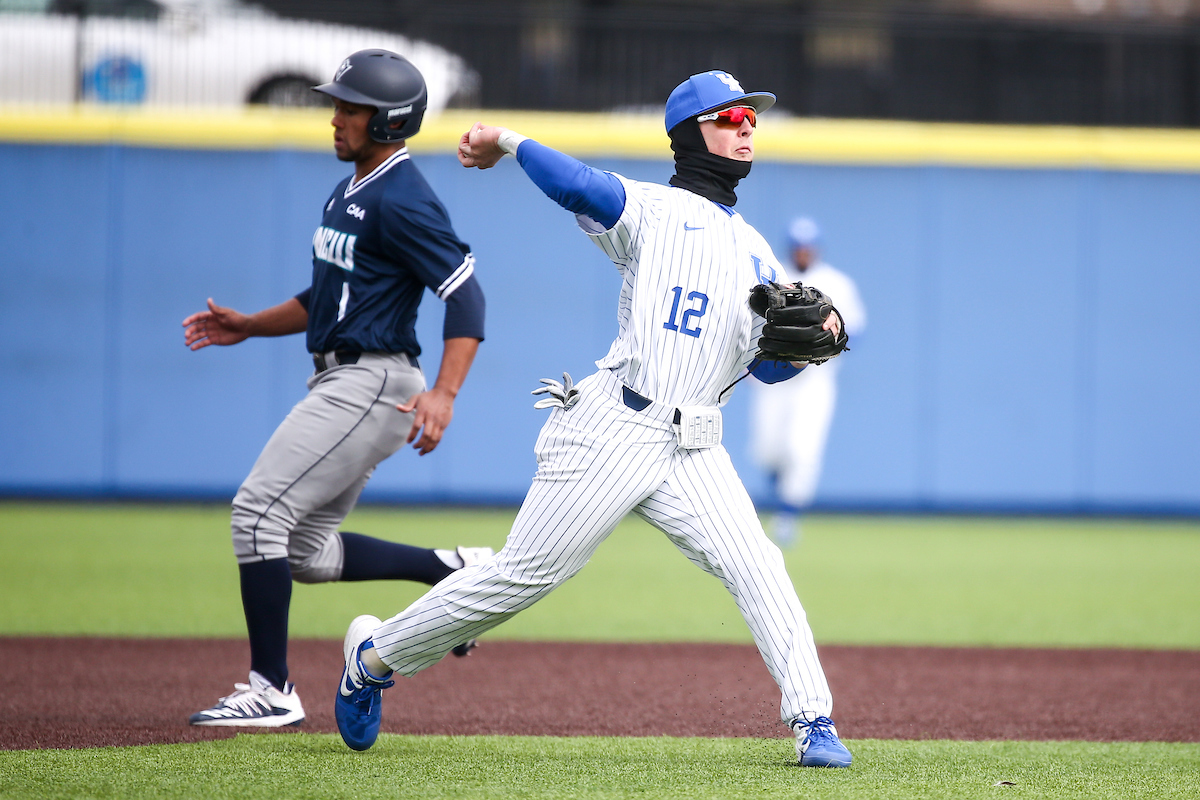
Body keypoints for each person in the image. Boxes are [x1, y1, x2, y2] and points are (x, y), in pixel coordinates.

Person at [333, 70, 854, 768]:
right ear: (693, 131)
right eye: (732, 116)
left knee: (758, 565)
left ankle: (814, 721)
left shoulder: (758, 252)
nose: (747, 125)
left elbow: (762, 364)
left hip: (696, 445)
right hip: (615, 426)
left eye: (751, 117)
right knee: (522, 577)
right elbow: (577, 185)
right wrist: (510, 142)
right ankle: (372, 657)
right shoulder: (648, 210)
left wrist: (810, 346)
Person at [183, 49, 490, 728]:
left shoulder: (403, 197)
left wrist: (444, 395)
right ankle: (452, 571)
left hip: (372, 380)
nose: (335, 118)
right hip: (347, 374)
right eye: (338, 105)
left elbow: (466, 297)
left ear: (388, 121)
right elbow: (328, 295)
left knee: (255, 514)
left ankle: (272, 688)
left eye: (350, 108)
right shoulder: (354, 185)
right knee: (301, 553)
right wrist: (250, 325)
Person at [751, 217, 867, 546]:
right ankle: (779, 502)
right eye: (798, 247)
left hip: (815, 380)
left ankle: (787, 516)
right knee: (768, 450)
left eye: (808, 246)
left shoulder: (837, 283)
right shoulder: (773, 277)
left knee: (802, 450)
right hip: (775, 372)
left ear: (816, 248)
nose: (803, 252)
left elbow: (856, 330)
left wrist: (829, 342)